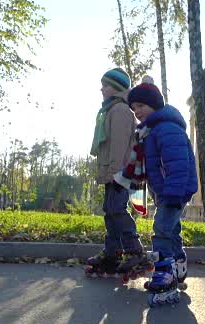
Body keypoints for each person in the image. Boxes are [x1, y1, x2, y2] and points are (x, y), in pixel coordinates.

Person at [125, 76, 198, 305]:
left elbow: (178, 164)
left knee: (162, 230)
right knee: (172, 230)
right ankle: (178, 268)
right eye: (134, 107)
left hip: (174, 191)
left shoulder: (166, 129)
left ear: (154, 105)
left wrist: (173, 193)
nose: (137, 111)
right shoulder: (152, 130)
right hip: (166, 191)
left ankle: (165, 275)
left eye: (141, 106)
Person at [85, 68, 145, 276]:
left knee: (117, 210)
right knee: (110, 211)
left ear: (117, 88)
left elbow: (119, 146)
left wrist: (113, 172)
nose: (101, 89)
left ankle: (135, 250)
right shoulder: (111, 110)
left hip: (119, 172)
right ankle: (112, 253)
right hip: (114, 171)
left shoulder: (119, 110)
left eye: (106, 85)